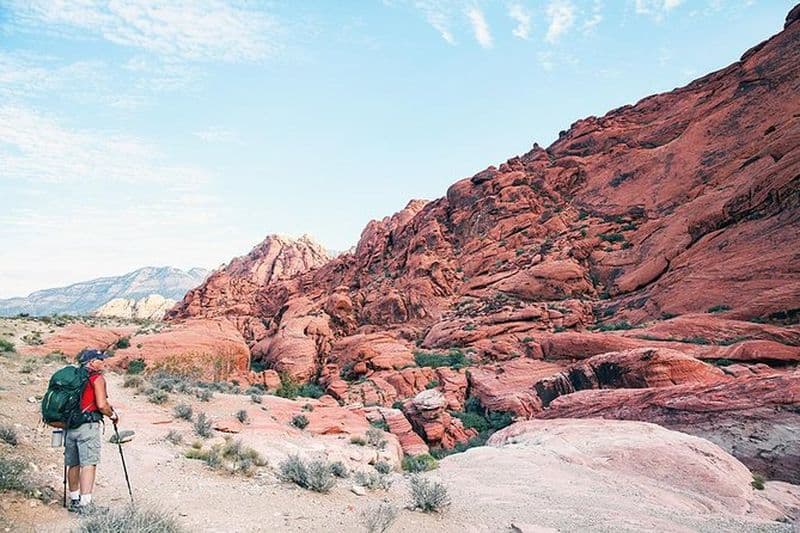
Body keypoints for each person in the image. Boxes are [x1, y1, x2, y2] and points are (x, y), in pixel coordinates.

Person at [65, 349, 119, 514]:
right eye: (99, 359)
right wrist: (112, 415)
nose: (103, 362)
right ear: (91, 362)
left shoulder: (74, 376)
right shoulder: (97, 378)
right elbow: (102, 405)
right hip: (87, 426)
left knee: (73, 463)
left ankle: (74, 500)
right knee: (88, 464)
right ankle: (86, 505)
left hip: (70, 425)